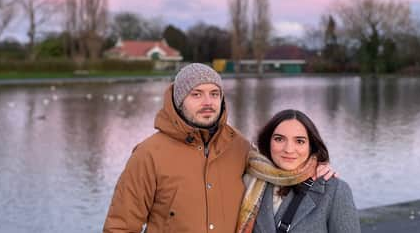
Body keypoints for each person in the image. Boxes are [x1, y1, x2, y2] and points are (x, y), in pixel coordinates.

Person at [103, 64, 335, 233]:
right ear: (178, 100)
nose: (208, 102)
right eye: (197, 94)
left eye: (214, 94)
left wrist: (315, 166)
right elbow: (120, 227)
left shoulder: (240, 147)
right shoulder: (148, 155)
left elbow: (279, 167)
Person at [236, 109, 360, 233]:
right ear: (268, 142)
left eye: (299, 141)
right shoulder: (250, 182)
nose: (289, 149)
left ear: (311, 146)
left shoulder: (334, 190)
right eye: (279, 139)